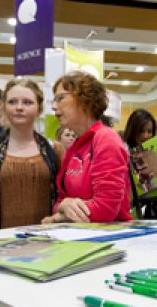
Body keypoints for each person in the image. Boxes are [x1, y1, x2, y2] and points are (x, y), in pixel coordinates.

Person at [0, 79, 63, 233]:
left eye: (27, 102)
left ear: (39, 109)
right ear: (4, 107)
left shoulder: (55, 150)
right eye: (12, 102)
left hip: (48, 245)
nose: (19, 107)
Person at [42, 71, 132, 223]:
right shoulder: (73, 149)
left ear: (83, 99)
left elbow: (105, 209)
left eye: (60, 98)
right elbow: (60, 202)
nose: (54, 106)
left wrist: (58, 218)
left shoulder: (105, 139)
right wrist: (64, 206)